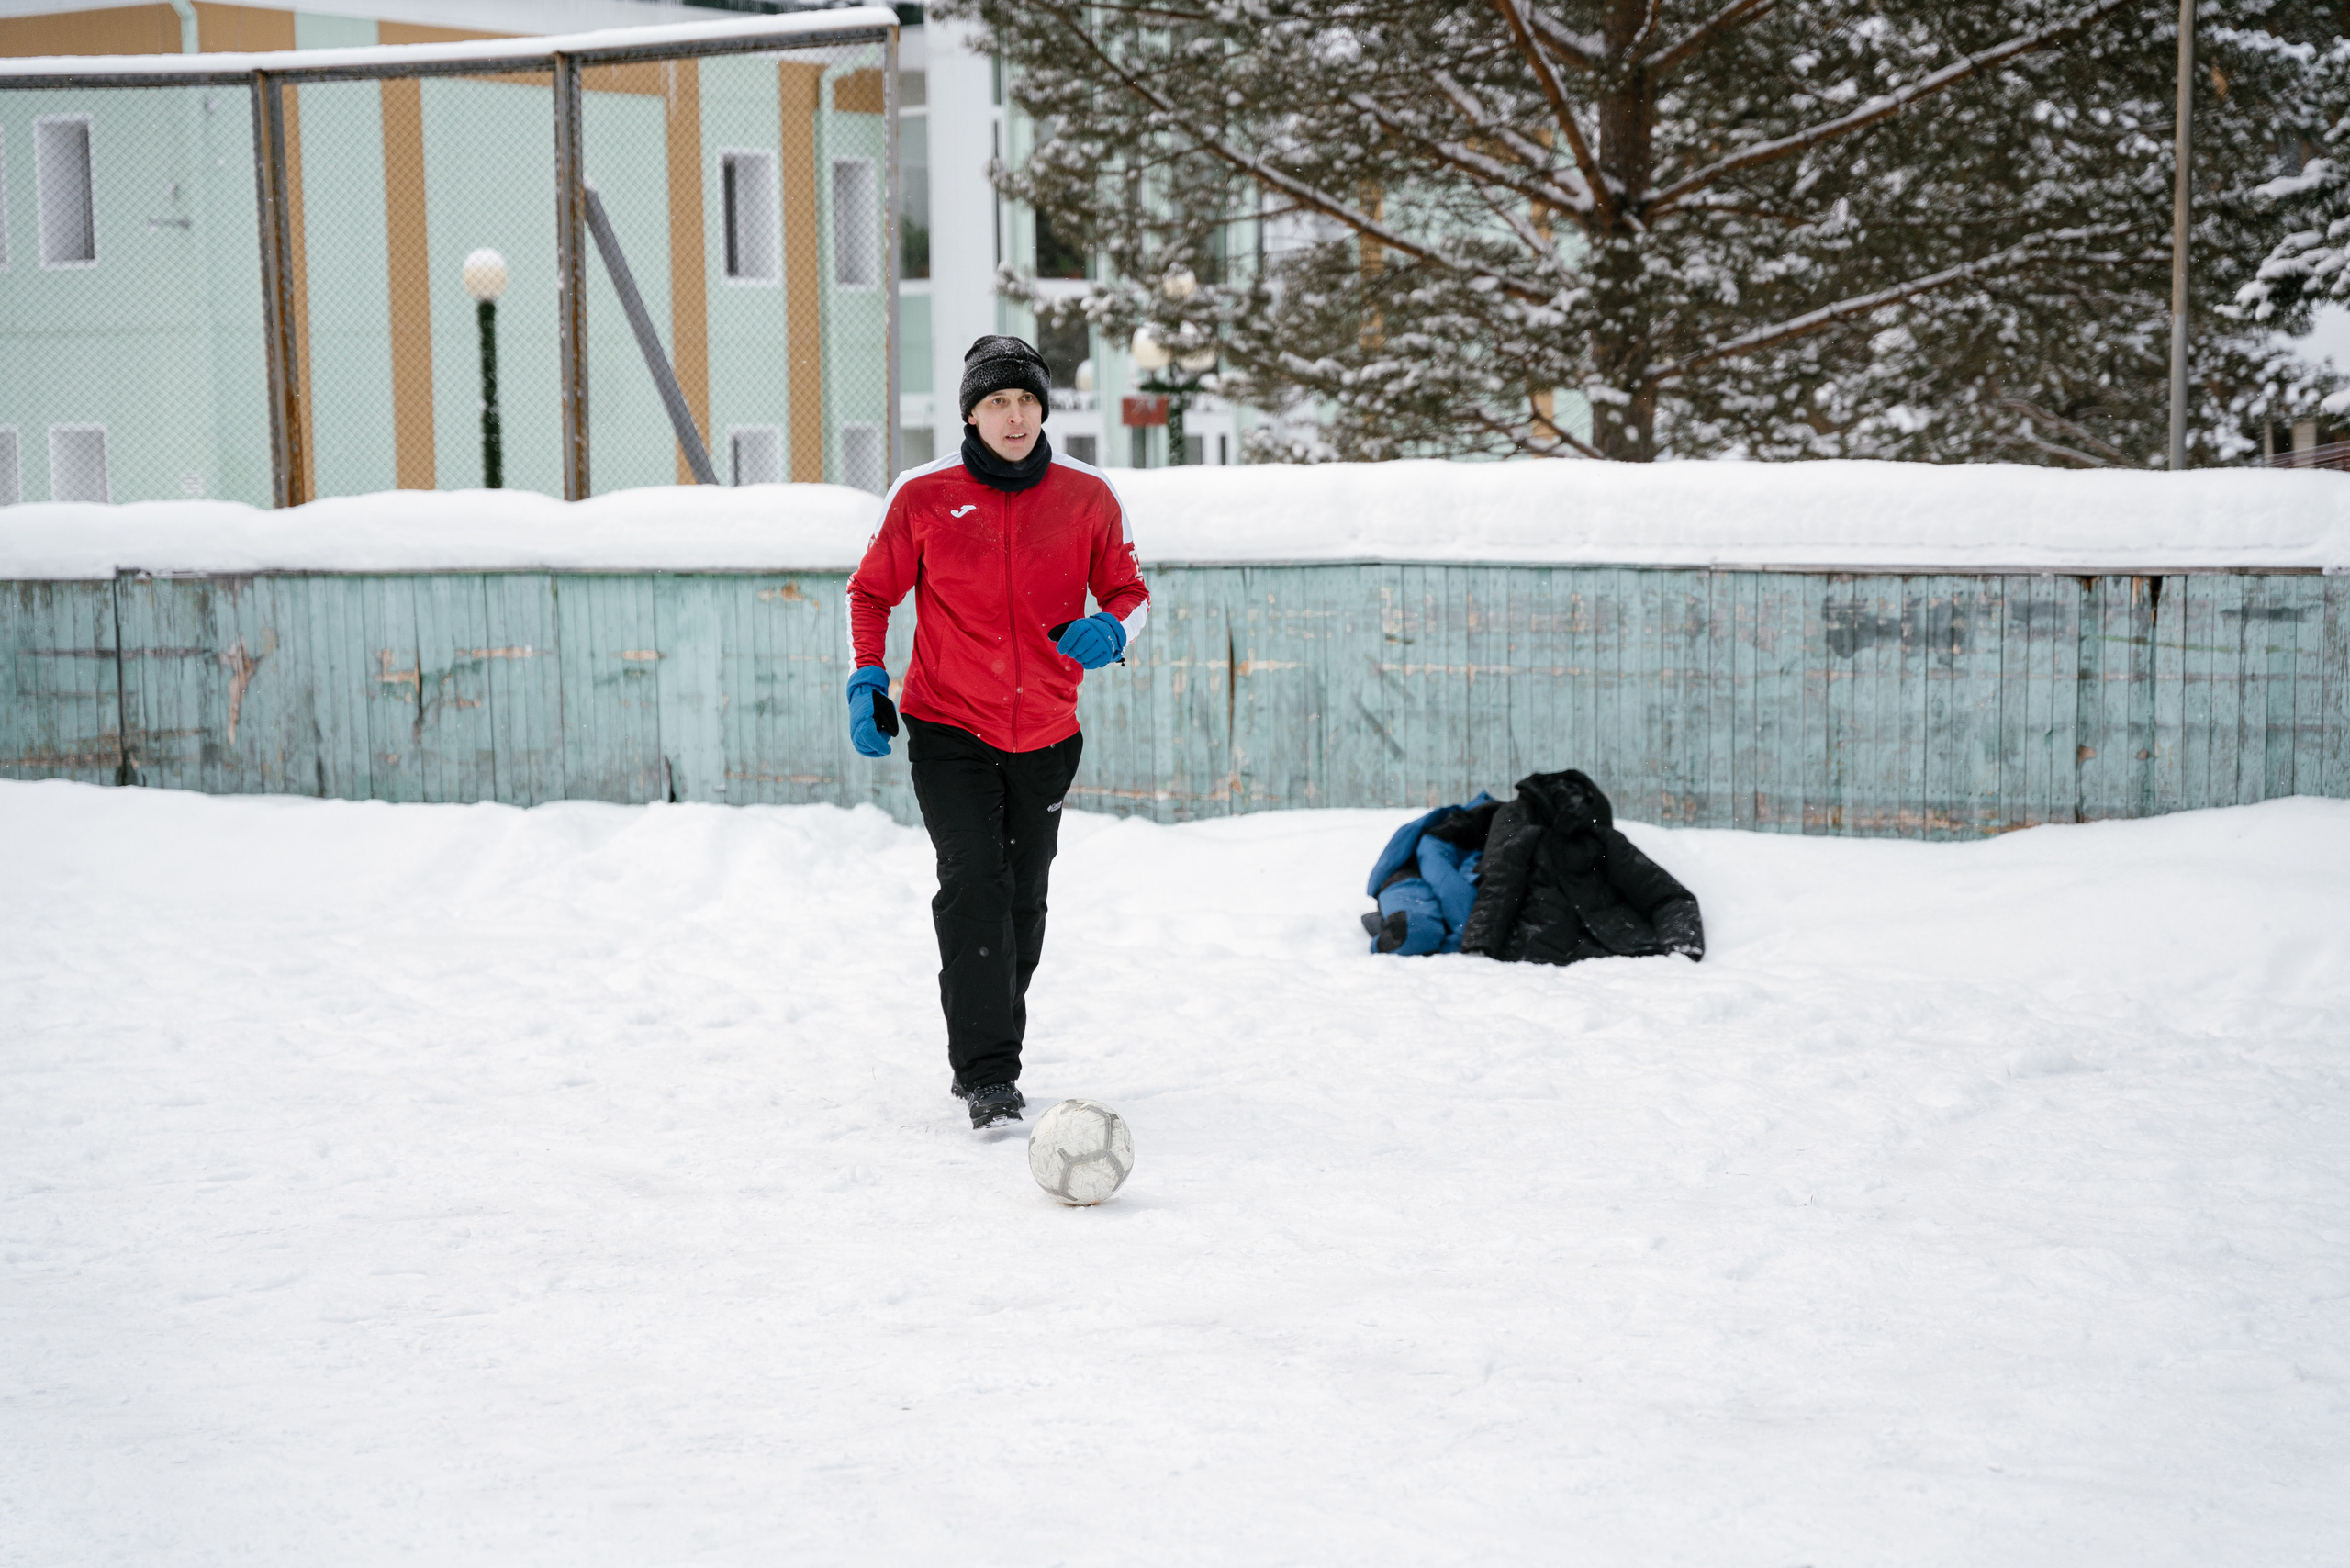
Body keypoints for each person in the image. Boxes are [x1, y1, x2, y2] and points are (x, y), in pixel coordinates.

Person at [845, 336, 1151, 1128]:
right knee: (975, 879)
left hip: (1048, 733)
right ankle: (987, 1073)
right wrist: (868, 675)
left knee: (1024, 901)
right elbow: (871, 593)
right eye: (996, 404)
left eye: (1025, 401)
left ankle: (991, 1040)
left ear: (1043, 408)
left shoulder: (1087, 495)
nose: (1013, 417)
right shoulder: (922, 495)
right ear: (971, 415)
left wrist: (1114, 631)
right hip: (949, 726)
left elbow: (1130, 590)